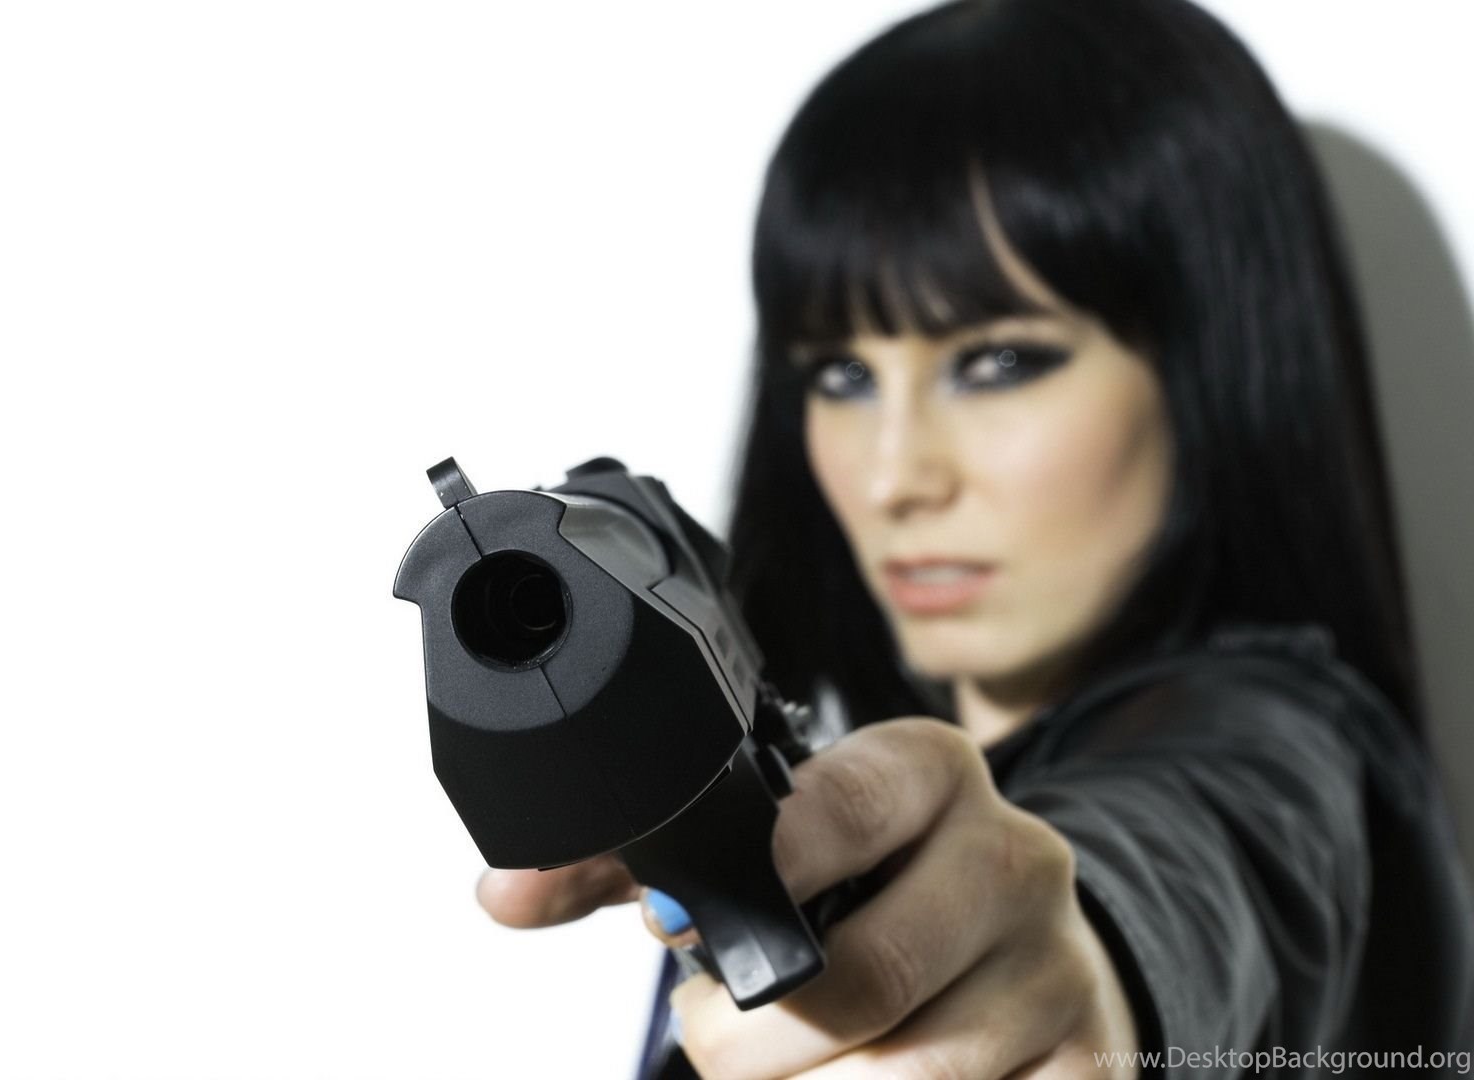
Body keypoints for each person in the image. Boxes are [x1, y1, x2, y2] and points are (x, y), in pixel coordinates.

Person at [474, 0, 1474, 1076]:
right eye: (842, 374)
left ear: (1206, 376)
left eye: (998, 362)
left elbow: (1203, 853)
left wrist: (1091, 962)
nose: (895, 476)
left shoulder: (1287, 753)